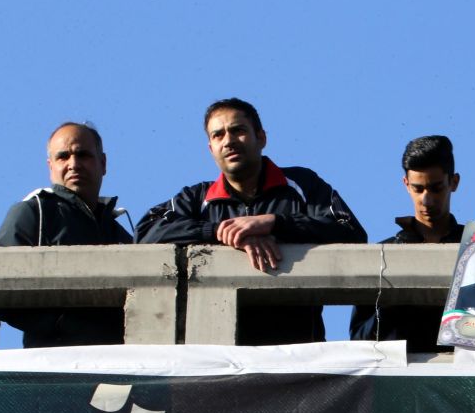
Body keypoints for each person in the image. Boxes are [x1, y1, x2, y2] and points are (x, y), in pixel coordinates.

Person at [137, 97, 366, 344]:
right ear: (210, 148)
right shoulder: (196, 198)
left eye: (238, 130)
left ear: (262, 137)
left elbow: (350, 229)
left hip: (298, 354)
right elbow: (145, 233)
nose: (229, 141)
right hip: (218, 355)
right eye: (218, 135)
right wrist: (219, 232)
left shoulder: (301, 184)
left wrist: (275, 223)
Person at [0, 122, 133, 347]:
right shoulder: (33, 212)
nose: (73, 164)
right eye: (63, 157)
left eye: (83, 155)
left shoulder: (121, 235)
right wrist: (59, 325)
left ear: (103, 163)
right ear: (51, 166)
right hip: (56, 367)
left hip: (116, 366)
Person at [349, 135, 462, 352]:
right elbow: (358, 339)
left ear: (453, 182)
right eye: (418, 189)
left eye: (436, 188)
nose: (426, 200)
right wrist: (390, 310)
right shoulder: (384, 255)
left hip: (463, 379)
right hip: (399, 380)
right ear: (406, 184)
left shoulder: (474, 248)